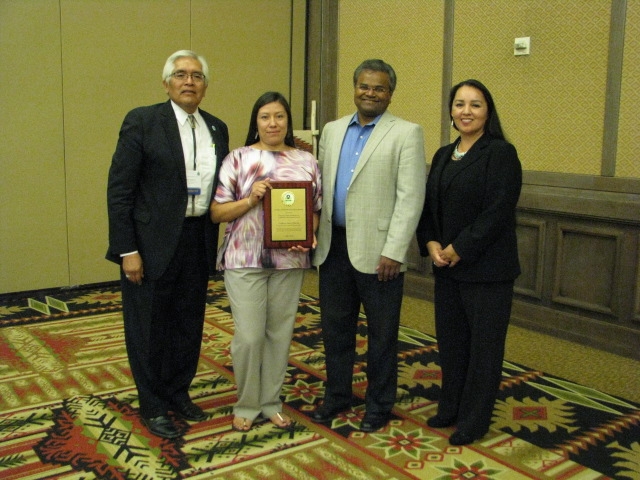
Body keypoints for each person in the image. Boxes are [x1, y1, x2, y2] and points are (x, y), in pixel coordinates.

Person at [106, 50, 229, 439]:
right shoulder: (142, 121)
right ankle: (153, 403)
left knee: (188, 322)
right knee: (149, 327)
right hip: (150, 244)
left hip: (197, 238)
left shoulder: (216, 127)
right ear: (166, 83)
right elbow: (119, 191)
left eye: (197, 76)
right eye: (181, 74)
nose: (189, 81)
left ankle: (178, 392)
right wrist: (127, 250)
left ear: (205, 86)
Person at [311, 59, 426, 433]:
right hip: (333, 247)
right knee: (335, 329)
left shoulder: (406, 133)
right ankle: (338, 395)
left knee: (382, 335)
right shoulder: (331, 130)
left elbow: (410, 198)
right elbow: (320, 184)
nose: (370, 93)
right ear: (354, 87)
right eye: (364, 86)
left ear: (390, 93)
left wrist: (395, 250)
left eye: (378, 88)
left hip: (381, 255)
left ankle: (379, 404)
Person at [416, 79, 522, 446]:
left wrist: (459, 248)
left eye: (475, 104)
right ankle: (450, 408)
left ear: (488, 111)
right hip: (446, 268)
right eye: (459, 104)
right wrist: (430, 242)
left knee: (484, 350)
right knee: (453, 344)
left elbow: (497, 211)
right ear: (450, 110)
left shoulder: (500, 153)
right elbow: (429, 205)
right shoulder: (445, 154)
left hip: (487, 271)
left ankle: (474, 421)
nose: (466, 111)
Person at [210, 91, 322, 432]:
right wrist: (250, 199)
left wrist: (309, 235)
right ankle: (246, 403)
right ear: (255, 122)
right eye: (265, 117)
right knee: (248, 336)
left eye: (279, 116)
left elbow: (314, 211)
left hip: (290, 260)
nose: (272, 123)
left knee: (279, 334)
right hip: (244, 257)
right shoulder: (238, 159)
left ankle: (271, 401)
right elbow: (217, 213)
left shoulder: (306, 161)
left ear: (287, 122)